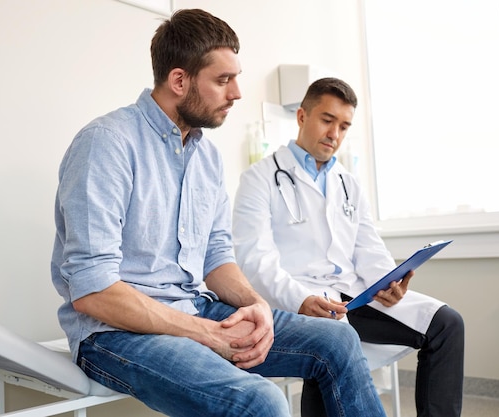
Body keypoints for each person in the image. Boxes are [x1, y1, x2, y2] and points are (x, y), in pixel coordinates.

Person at [50, 9, 388, 417]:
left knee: (338, 340)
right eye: (223, 80)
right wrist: (207, 333)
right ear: (179, 81)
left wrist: (256, 304)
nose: (237, 93)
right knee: (261, 400)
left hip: (195, 308)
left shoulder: (206, 156)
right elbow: (93, 290)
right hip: (113, 335)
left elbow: (216, 255)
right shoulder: (107, 144)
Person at [232, 77, 465, 417]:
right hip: (296, 300)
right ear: (301, 116)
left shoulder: (348, 183)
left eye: (344, 126)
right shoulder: (259, 178)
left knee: (447, 323)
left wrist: (389, 282)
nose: (334, 134)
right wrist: (299, 299)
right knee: (328, 345)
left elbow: (368, 247)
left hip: (352, 296)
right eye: (327, 120)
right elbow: (255, 260)